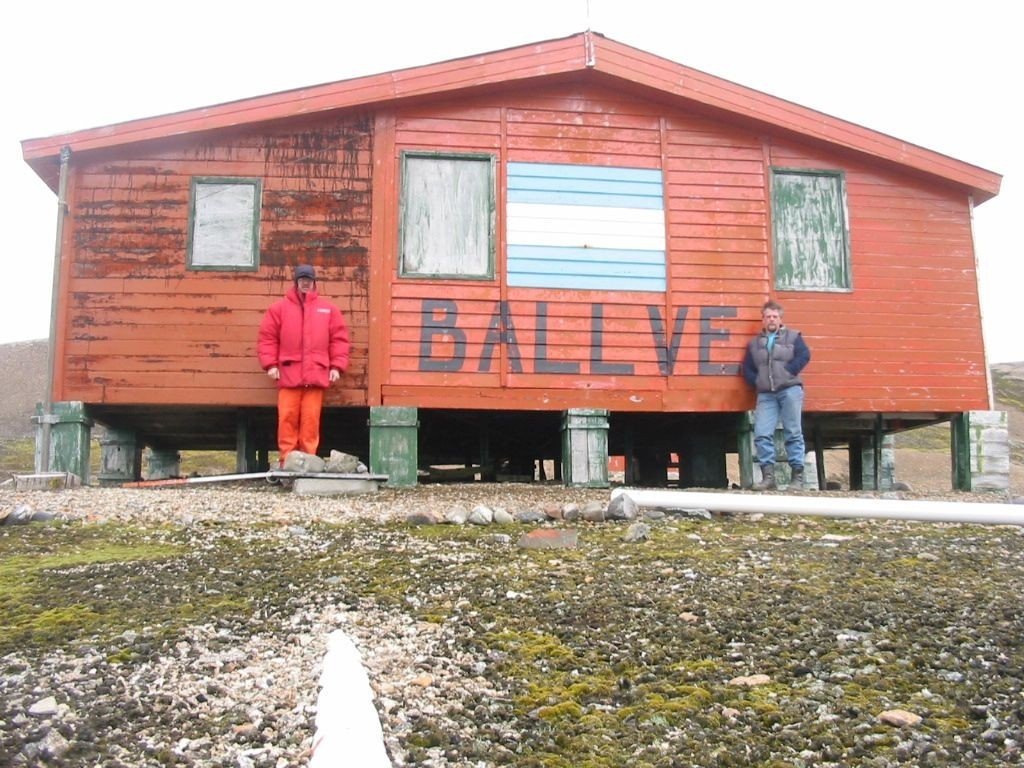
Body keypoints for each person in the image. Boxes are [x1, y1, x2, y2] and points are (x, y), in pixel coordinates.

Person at [257, 265, 350, 465]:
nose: (305, 283)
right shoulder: (278, 309)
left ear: (314, 282)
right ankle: (287, 460)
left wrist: (336, 367)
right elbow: (267, 338)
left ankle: (308, 461)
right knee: (287, 418)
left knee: (311, 421)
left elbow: (339, 340)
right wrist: (270, 365)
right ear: (296, 282)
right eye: (302, 280)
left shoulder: (329, 310)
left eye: (308, 280)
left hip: (316, 375)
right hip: (288, 375)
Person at [741, 300, 811, 490]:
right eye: (768, 316)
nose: (771, 319)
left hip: (790, 389)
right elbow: (746, 367)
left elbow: (804, 355)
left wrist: (789, 371)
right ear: (763, 320)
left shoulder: (794, 336)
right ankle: (768, 478)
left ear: (780, 319)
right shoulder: (754, 344)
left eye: (775, 316)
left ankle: (797, 478)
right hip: (766, 394)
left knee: (793, 432)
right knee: (762, 433)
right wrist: (757, 381)